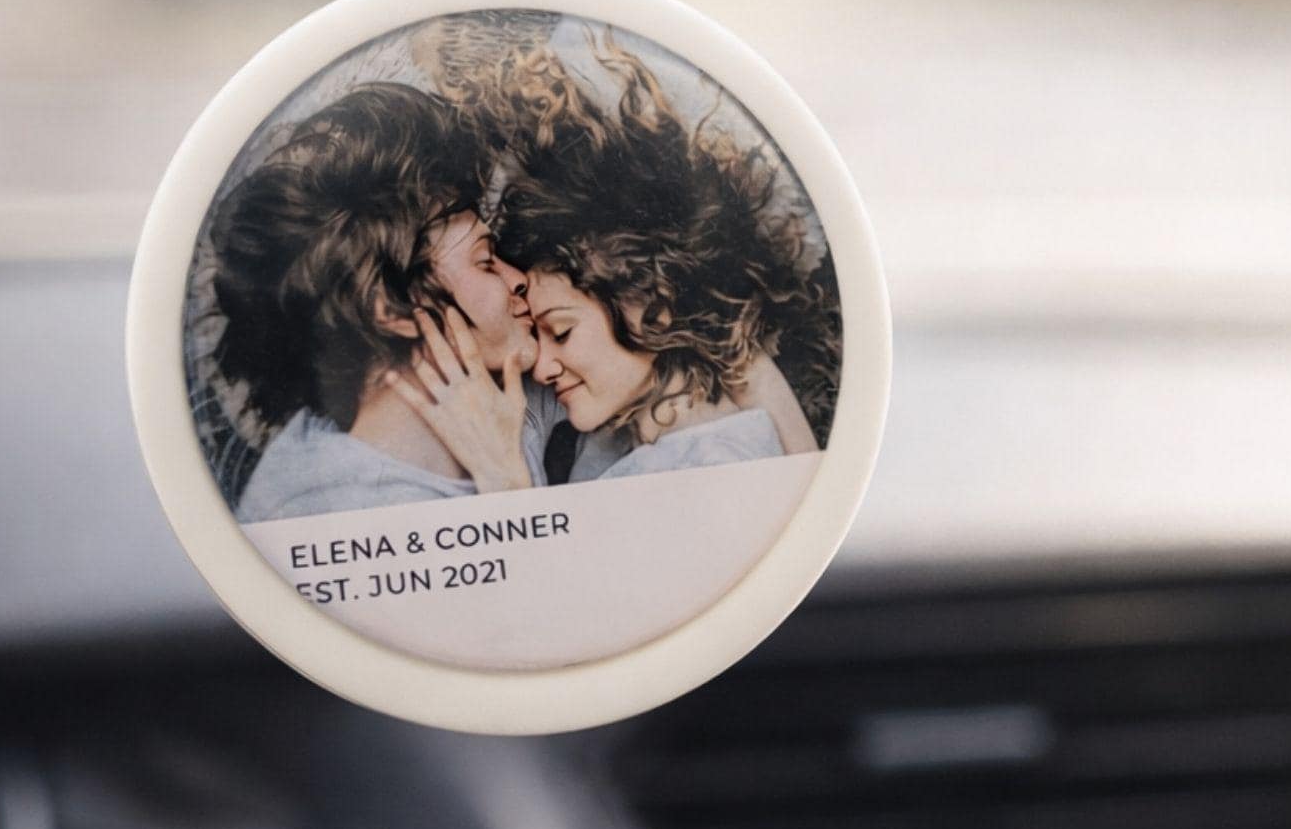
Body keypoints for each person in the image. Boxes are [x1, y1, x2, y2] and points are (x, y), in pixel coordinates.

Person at [487, 37, 842, 481]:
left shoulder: (706, 469)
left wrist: (500, 474)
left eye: (561, 331)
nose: (541, 366)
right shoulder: (632, 422)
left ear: (653, 306)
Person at [208, 84, 548, 523]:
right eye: (484, 262)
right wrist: (508, 487)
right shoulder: (330, 512)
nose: (518, 278)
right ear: (394, 309)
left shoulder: (512, 398)